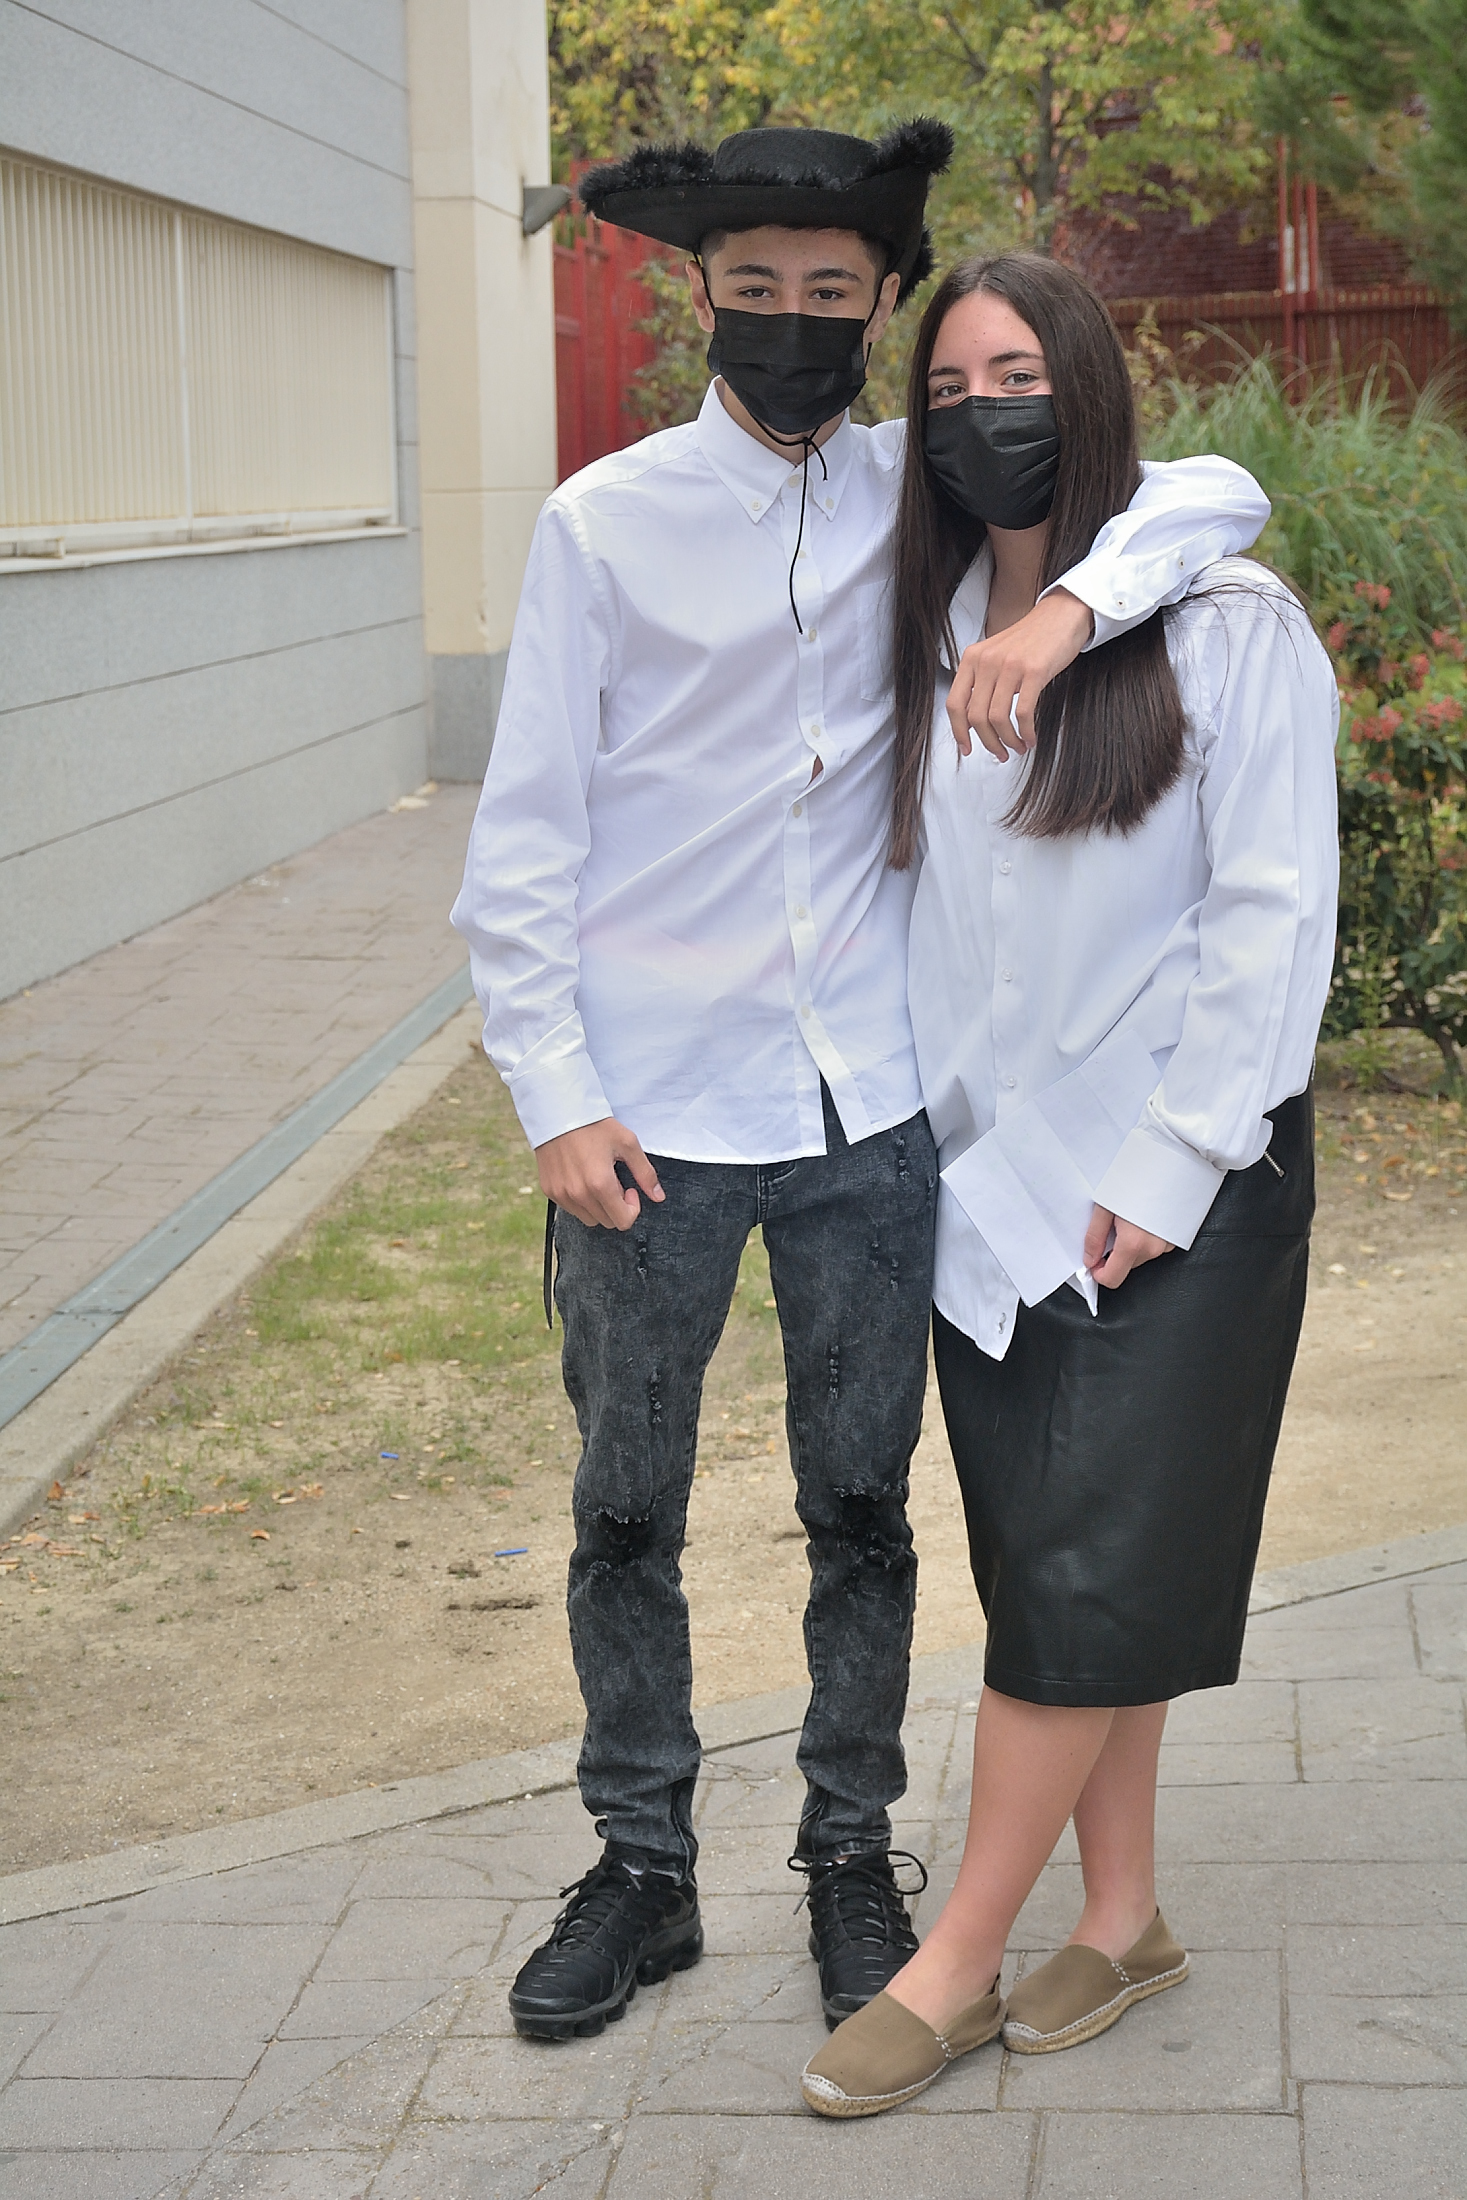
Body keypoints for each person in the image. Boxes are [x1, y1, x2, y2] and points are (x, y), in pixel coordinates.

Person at [450, 128, 1273, 2046]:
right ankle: (640, 1867)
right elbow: (525, 841)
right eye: (758, 290)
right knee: (626, 1512)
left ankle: (849, 1856)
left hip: (872, 1114)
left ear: (882, 304)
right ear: (704, 295)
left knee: (863, 1512)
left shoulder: (932, 486)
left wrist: (1064, 612)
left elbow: (1206, 493)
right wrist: (554, 1088)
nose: (794, 324)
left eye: (834, 294)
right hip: (648, 1119)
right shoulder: (603, 523)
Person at [800, 251, 1338, 2119]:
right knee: (1070, 1567)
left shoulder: (1228, 628)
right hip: (992, 1195)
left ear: (1087, 385)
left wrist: (1177, 1161)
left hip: (1179, 1184)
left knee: (1081, 1577)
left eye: (1018, 375)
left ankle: (953, 1961)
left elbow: (1273, 920)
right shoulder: (930, 620)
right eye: (948, 390)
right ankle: (1125, 1918)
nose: (982, 416)